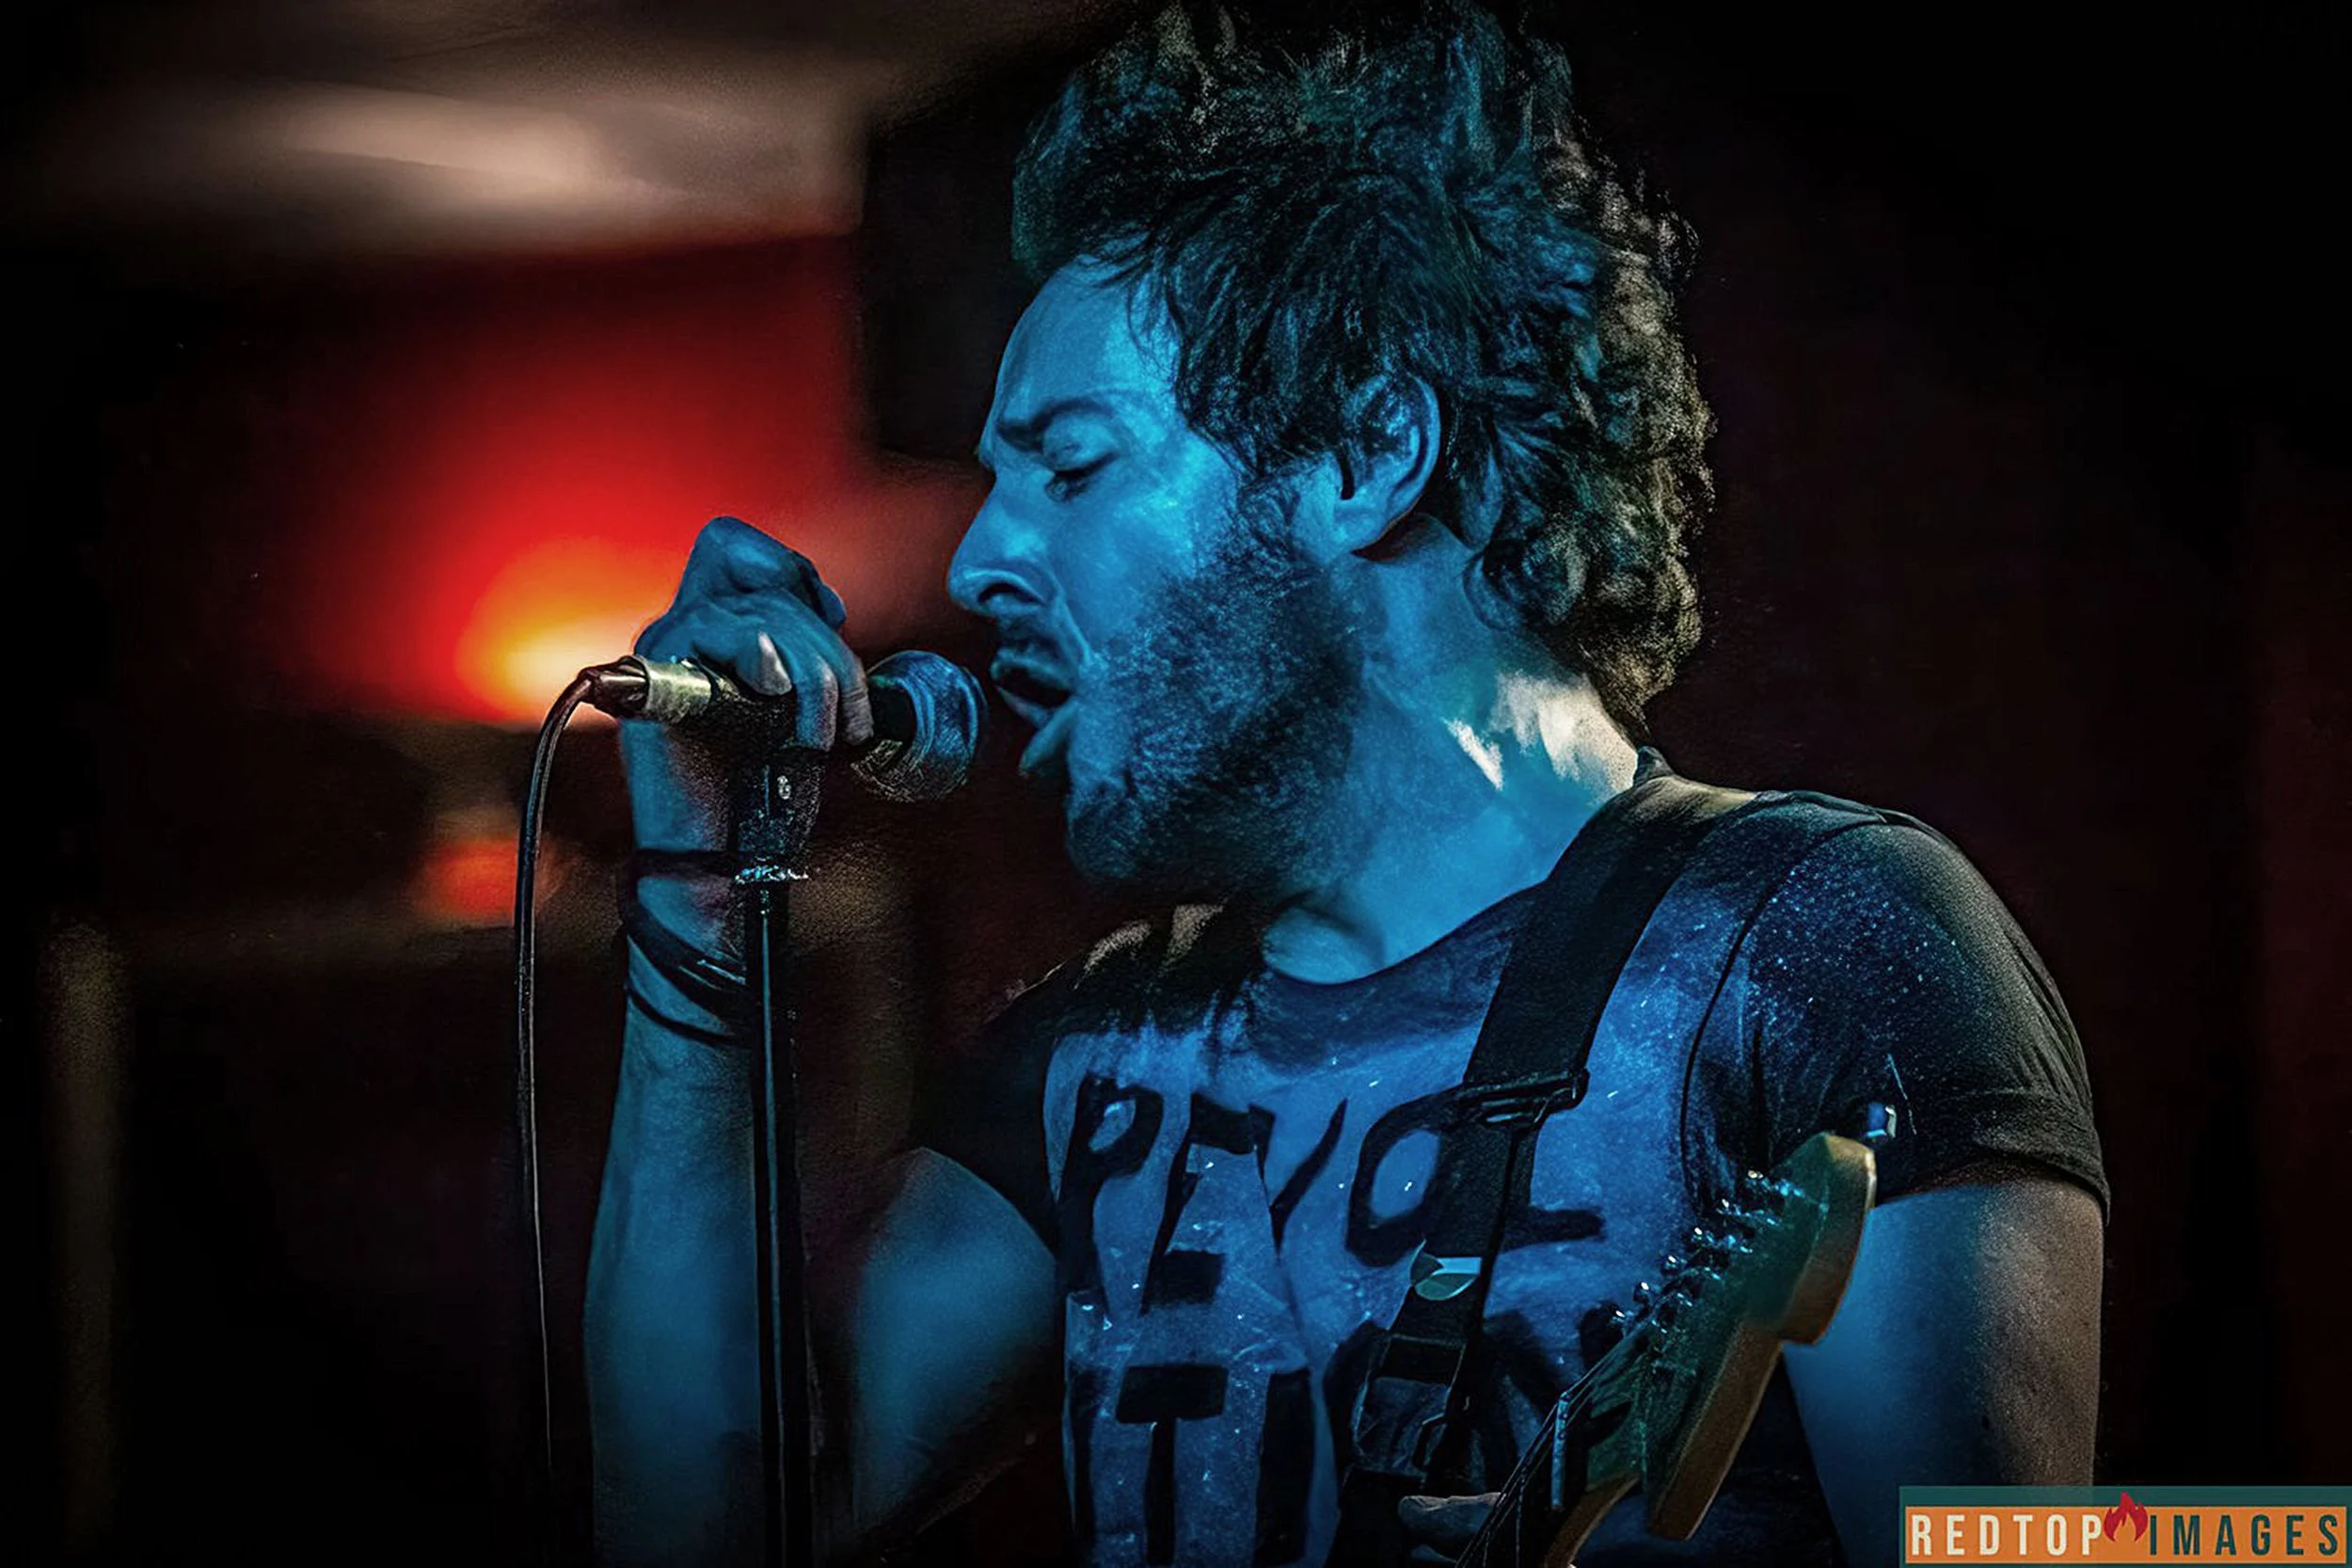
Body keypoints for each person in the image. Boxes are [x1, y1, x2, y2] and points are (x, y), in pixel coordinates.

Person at [585, 6, 2107, 1565]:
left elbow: (2113, 1545)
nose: (981, 561)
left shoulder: (1808, 945)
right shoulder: (1092, 1057)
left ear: (1369, 450)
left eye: (1075, 463)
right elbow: (710, 1531)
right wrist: (697, 891)